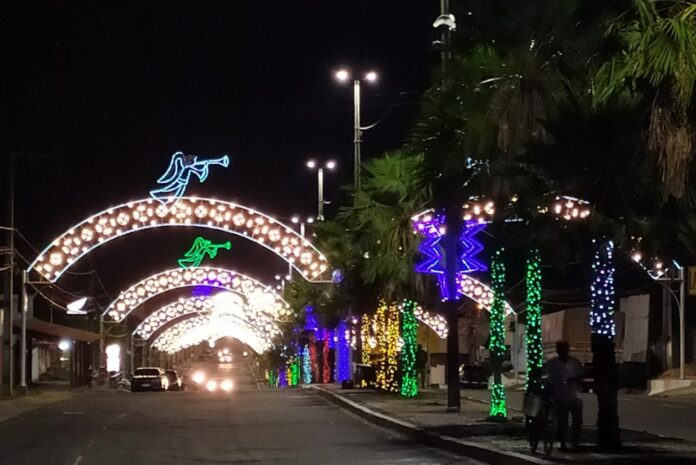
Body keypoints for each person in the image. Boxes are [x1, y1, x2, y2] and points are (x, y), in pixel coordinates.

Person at [543, 340, 584, 452]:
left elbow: (581, 375)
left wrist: (574, 380)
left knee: (577, 415)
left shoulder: (574, 363)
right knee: (562, 418)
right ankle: (562, 442)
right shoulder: (552, 364)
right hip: (558, 397)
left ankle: (575, 440)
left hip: (572, 396)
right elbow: (545, 376)